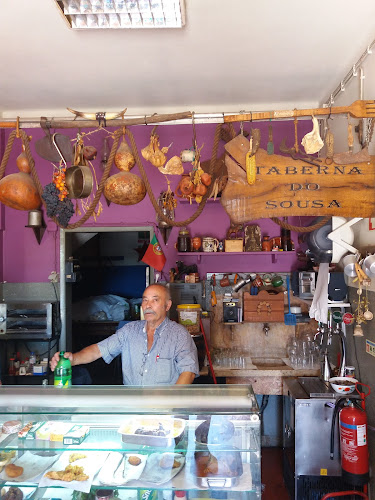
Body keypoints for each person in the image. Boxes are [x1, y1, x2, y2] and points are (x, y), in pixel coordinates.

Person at [50, 284, 199, 385]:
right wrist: (73, 359)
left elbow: (188, 372)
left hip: (165, 412)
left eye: (155, 300)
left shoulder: (179, 334)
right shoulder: (129, 331)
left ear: (167, 305)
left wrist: (171, 403)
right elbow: (98, 350)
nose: (148, 305)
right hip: (134, 410)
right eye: (145, 300)